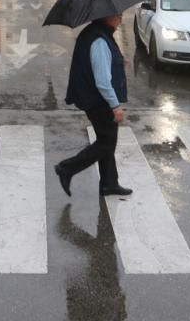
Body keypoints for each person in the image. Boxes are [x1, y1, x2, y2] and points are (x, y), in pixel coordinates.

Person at [54, 14, 132, 197]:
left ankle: (109, 183)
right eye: (118, 16)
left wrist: (119, 62)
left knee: (108, 142)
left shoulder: (95, 33)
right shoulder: (99, 41)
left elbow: (100, 65)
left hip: (94, 98)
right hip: (99, 101)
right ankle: (66, 168)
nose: (120, 21)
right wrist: (115, 106)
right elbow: (103, 82)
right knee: (105, 143)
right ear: (108, 18)